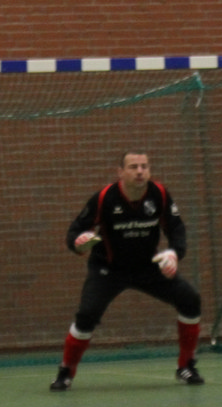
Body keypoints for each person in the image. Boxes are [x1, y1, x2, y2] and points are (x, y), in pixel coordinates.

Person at [49, 151, 204, 391]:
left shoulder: (159, 195)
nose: (140, 171)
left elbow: (176, 228)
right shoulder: (104, 198)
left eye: (144, 166)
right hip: (108, 269)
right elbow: (75, 231)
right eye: (133, 167)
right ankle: (66, 371)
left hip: (148, 267)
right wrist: (78, 243)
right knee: (86, 316)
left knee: (191, 300)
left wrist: (174, 253)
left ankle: (186, 366)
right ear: (120, 172)